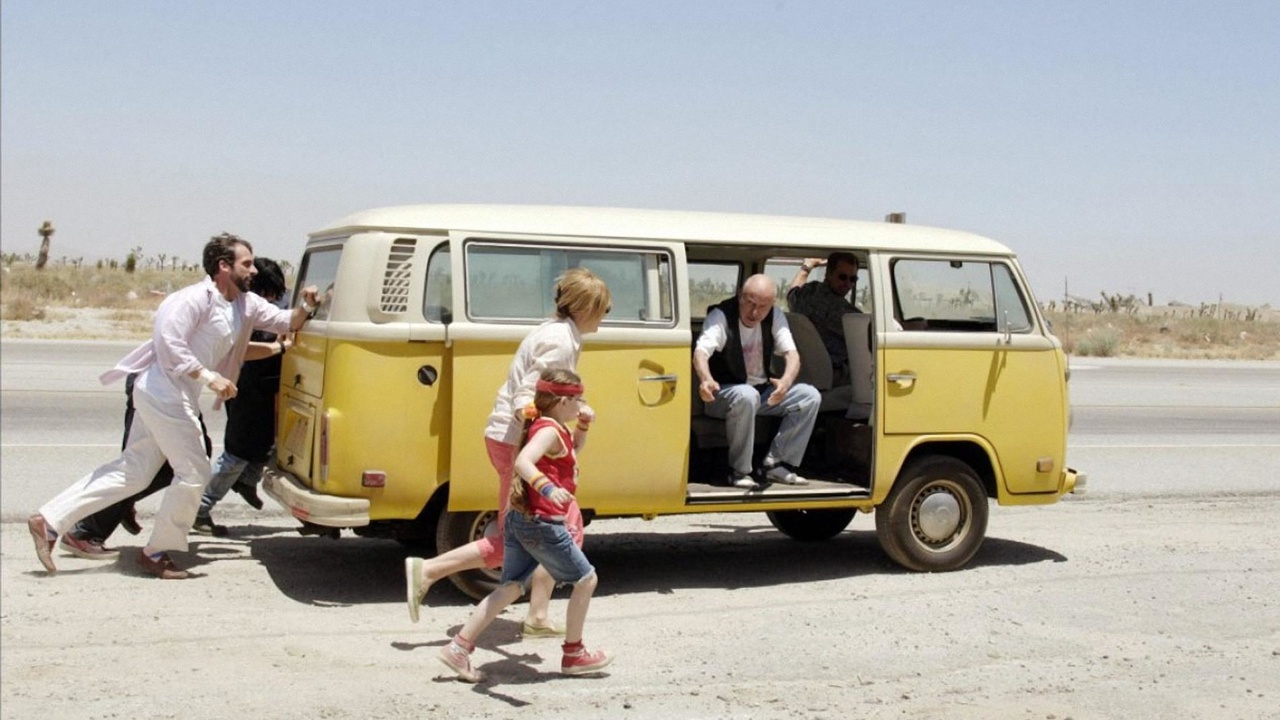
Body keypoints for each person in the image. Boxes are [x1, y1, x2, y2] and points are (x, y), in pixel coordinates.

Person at [27, 233, 323, 579]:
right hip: (162, 392)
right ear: (223, 266)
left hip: (175, 395)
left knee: (134, 471)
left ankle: (48, 521)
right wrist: (209, 377)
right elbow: (169, 344)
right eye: (246, 263)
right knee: (195, 470)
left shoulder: (244, 304)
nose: (254, 270)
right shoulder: (191, 299)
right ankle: (157, 551)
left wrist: (307, 305)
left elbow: (285, 322)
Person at [404, 268, 611, 634]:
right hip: (515, 442)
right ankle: (432, 571)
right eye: (602, 307)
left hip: (510, 439)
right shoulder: (560, 340)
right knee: (535, 534)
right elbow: (532, 390)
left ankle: (538, 614)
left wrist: (574, 411)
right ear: (585, 307)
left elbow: (551, 392)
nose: (606, 313)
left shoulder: (558, 332)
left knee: (551, 530)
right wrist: (534, 430)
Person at [433, 369, 612, 683]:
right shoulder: (548, 431)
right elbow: (522, 462)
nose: (581, 403)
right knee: (586, 580)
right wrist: (546, 488)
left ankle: (458, 649)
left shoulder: (551, 426)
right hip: (543, 523)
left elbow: (570, 452)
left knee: (511, 587)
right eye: (577, 399)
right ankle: (574, 653)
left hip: (521, 519)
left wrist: (583, 426)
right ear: (560, 401)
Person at [56, 374, 212, 559]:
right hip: (160, 388)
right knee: (149, 465)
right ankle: (85, 529)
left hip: (172, 389)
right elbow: (175, 349)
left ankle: (116, 506)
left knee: (175, 462)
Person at [193, 257, 291, 536]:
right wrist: (279, 347)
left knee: (264, 445)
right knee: (237, 454)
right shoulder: (249, 313)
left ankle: (246, 481)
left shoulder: (251, 309)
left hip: (254, 391)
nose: (273, 299)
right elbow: (247, 349)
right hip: (248, 392)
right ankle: (199, 510)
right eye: (271, 292)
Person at [694, 274, 820, 489]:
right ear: (740, 297)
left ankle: (776, 464)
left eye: (762, 306)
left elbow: (792, 355)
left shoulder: (774, 316)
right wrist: (706, 380)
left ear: (771, 304)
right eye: (750, 303)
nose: (755, 313)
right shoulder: (721, 315)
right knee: (746, 395)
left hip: (760, 393)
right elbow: (701, 352)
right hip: (723, 394)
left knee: (809, 396)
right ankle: (739, 471)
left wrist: (785, 382)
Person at [786, 252, 862, 383]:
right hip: (835, 374)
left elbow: (791, 293)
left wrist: (806, 268)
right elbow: (871, 332)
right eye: (842, 277)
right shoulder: (845, 313)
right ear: (828, 274)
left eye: (853, 279)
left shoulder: (808, 292)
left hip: (804, 370)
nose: (847, 283)